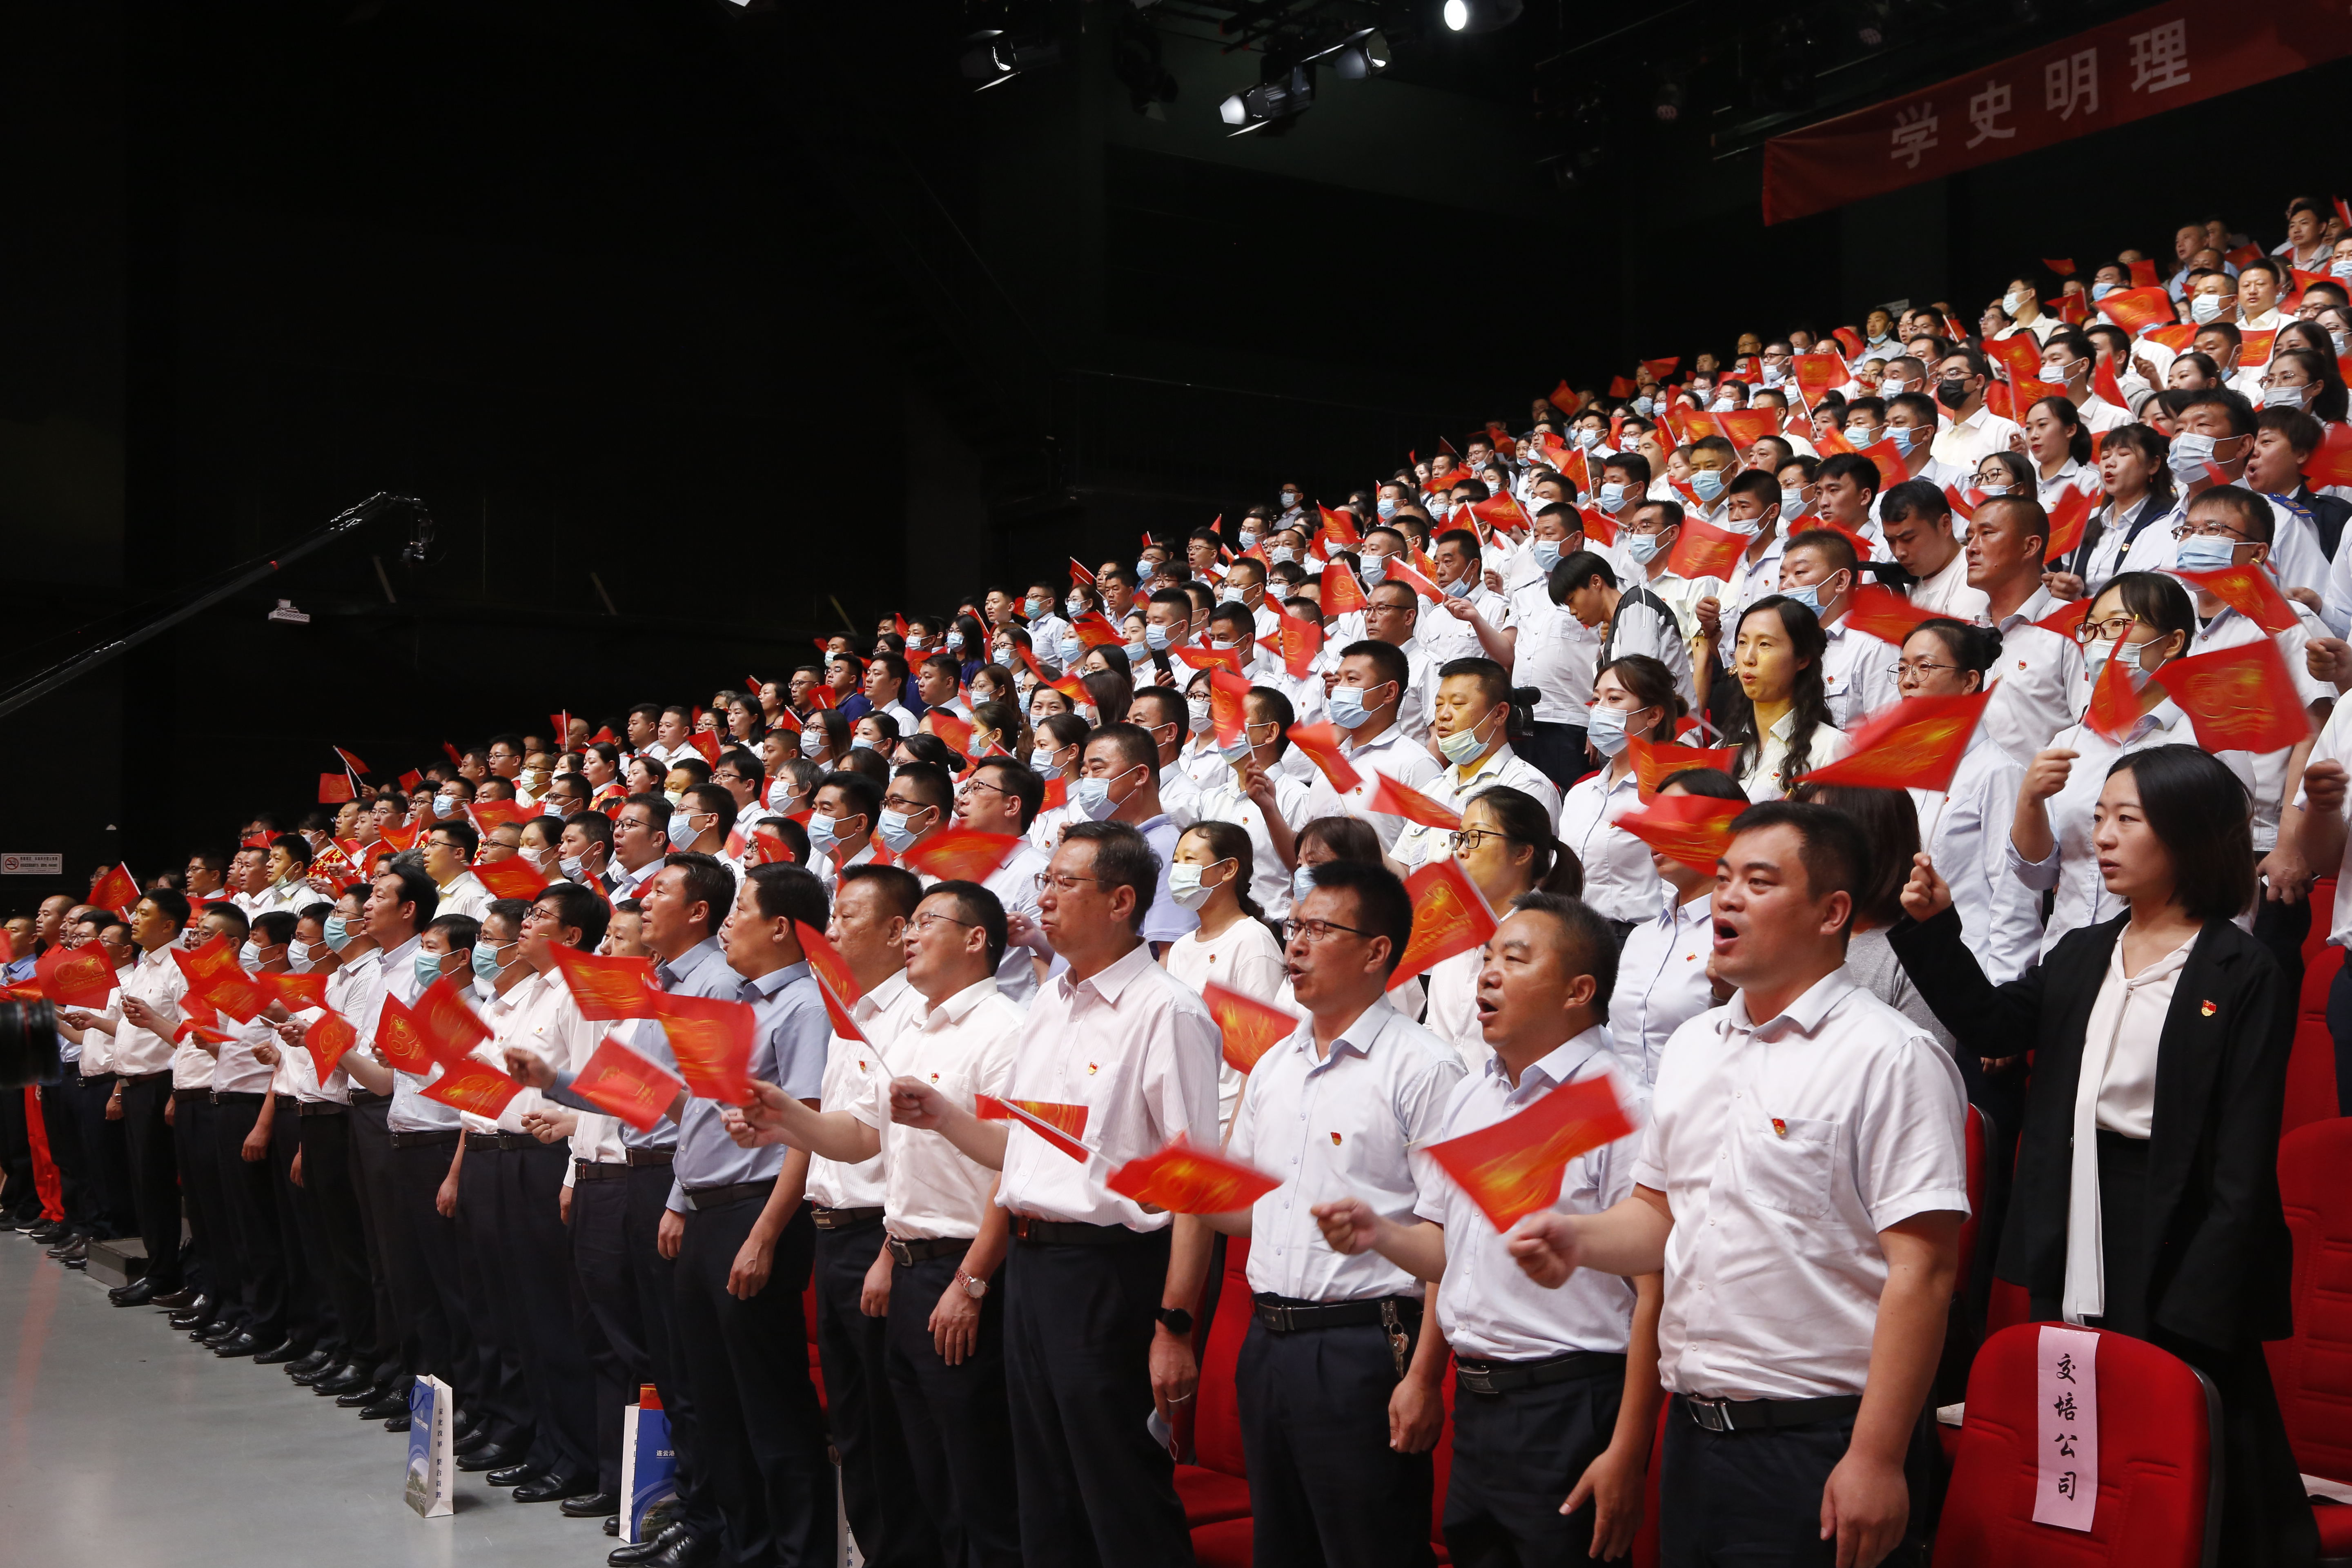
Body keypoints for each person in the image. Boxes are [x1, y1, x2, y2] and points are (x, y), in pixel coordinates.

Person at [1503, 801, 1967, 1568]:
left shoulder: (1892, 1056)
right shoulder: (1694, 1046)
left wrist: (1877, 1456)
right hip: (1696, 1434)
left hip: (1821, 1439)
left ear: (1832, 913)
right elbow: (1658, 1215)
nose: (1727, 899)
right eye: (1722, 880)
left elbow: (1925, 1270)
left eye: (1759, 882)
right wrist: (1575, 1236)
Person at [1890, 746, 2315, 1566]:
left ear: (2189, 834)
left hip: (2184, 1226)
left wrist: (2196, 1308)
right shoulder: (2085, 952)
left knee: (2188, 1440)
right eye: (2098, 818)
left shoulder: (2241, 969)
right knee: (2083, 1424)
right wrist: (1935, 928)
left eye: (2128, 819)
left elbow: (2241, 1166)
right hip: (2079, 1202)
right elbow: (1993, 1026)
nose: (2104, 837)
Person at [884, 822, 1219, 1568]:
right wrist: (945, 1118)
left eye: (1066, 883)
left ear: (1122, 901)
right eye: (1046, 881)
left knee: (1118, 1491)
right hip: (1033, 1270)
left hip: (1108, 1274)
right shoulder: (1048, 1003)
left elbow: (1193, 1184)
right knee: (1043, 1490)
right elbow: (1025, 1153)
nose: (1044, 899)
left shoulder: (1167, 1010)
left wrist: (1175, 1324)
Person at [1313, 892, 1661, 1565]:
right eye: (1488, 958)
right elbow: (1449, 1252)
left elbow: (1655, 1292)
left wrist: (1627, 1451)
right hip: (1477, 1406)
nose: (1488, 974)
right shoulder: (1475, 1094)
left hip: (1571, 1402)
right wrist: (1378, 1234)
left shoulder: (1622, 1104)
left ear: (1579, 991)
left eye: (1515, 960)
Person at [1184, 859, 1464, 1568]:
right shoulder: (1275, 1063)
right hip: (1269, 1341)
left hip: (1363, 1347)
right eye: (1293, 927)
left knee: (1368, 1547)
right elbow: (1249, 1211)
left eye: (1318, 930)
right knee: (1283, 1546)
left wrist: (1423, 1377)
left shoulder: (1425, 1068)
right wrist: (1171, 1181)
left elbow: (1450, 1240)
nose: (1296, 946)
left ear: (1377, 952)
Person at [2010, 572, 2255, 956]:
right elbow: (2037, 875)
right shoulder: (2069, 743)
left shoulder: (2207, 744)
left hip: (2171, 962)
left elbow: (2231, 874)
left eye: (2118, 626)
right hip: (2069, 954)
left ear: (2172, 642)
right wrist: (2030, 801)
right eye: (2092, 629)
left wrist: (2217, 966)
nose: (2101, 642)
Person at [1891, 621, 2041, 989]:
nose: (1908, 680)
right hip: (1900, 964)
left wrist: (2003, 995)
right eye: (1903, 668)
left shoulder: (1998, 772)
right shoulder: (1902, 767)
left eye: (1924, 667)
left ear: (1970, 681)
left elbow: (2014, 898)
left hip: (1967, 970)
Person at [1420, 785, 1586, 1072]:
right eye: (1460, 837)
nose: (1461, 851)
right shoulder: (1452, 925)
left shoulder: (1554, 938)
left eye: (1475, 838)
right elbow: (1434, 1026)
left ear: (1522, 853)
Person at [1608, 769, 1744, 1085]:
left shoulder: (1745, 935)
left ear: (1722, 828)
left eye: (1674, 817)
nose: (1656, 832)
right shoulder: (1641, 937)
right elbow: (1618, 1037)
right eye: (1654, 819)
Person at [1159, 820, 1285, 1135]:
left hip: (1225, 1120)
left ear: (1228, 869)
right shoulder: (1182, 947)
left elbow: (1259, 1056)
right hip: (1183, 1119)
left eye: (1190, 860)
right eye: (1176, 861)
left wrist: (1234, 1136)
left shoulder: (1252, 942)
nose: (1179, 871)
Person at [1558, 655, 1681, 935]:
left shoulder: (1670, 792)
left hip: (1640, 936)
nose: (1600, 710)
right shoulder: (1580, 794)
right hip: (1577, 934)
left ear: (1653, 715)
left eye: (1614, 699)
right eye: (1596, 700)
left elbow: (1676, 888)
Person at [1722, 597, 1850, 801]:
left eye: (1765, 644)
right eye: (1742, 643)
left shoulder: (1832, 750)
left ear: (1803, 659)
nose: (1748, 658)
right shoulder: (1722, 751)